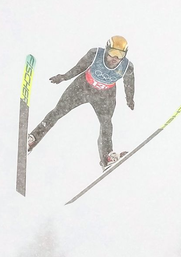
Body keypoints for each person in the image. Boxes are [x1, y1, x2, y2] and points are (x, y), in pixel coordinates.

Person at [27, 36, 135, 170]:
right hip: (82, 87)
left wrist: (130, 99)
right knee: (58, 111)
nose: (115, 58)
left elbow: (129, 84)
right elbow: (79, 67)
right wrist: (64, 77)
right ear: (106, 50)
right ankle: (32, 140)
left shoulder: (127, 67)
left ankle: (107, 157)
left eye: (120, 55)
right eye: (113, 53)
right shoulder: (95, 54)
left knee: (106, 124)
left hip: (105, 96)